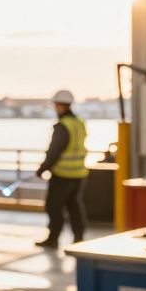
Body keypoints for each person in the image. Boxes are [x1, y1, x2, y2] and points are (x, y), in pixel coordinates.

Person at [36, 89, 88, 247]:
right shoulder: (79, 122)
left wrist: (42, 168)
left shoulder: (62, 126)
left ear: (59, 105)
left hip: (63, 174)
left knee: (54, 206)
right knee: (74, 206)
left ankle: (53, 238)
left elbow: (55, 151)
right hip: (79, 173)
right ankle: (78, 238)